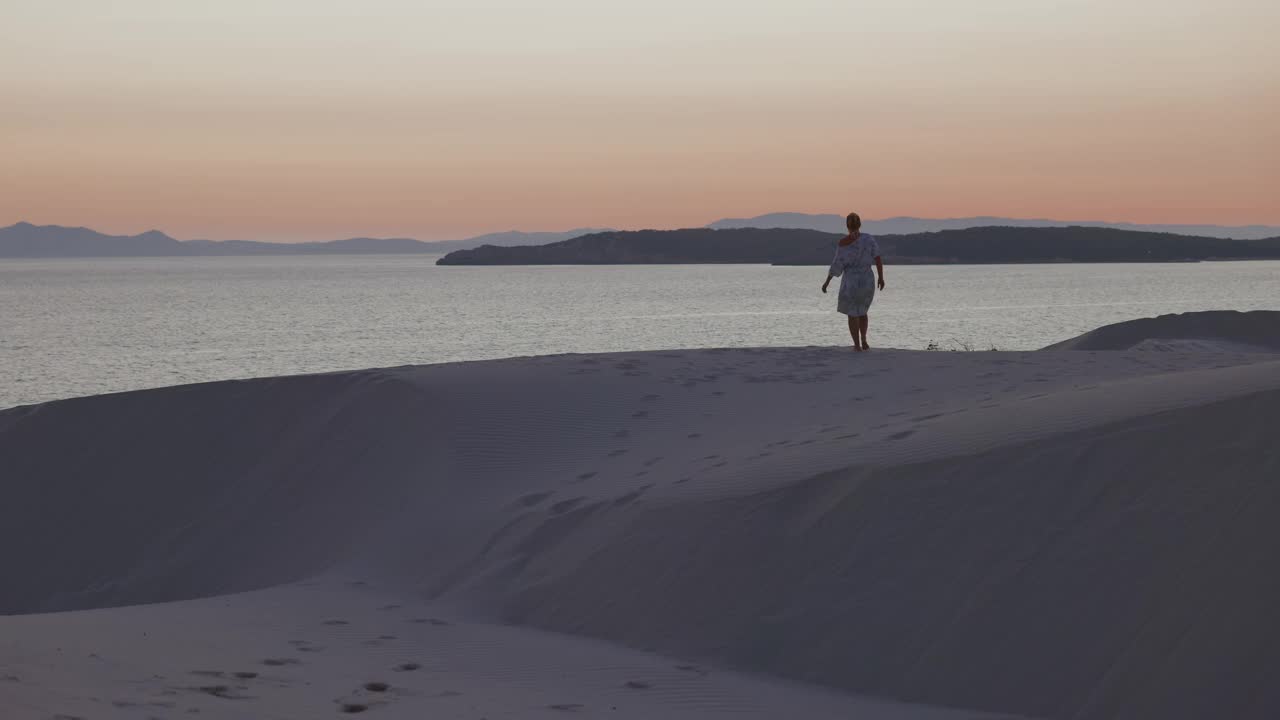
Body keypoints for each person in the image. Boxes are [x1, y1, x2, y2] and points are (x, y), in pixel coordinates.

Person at [821, 212, 885, 351]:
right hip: (867, 279)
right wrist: (881, 277)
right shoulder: (868, 239)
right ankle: (864, 339)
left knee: (852, 313)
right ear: (860, 224)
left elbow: (836, 265)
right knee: (862, 311)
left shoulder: (843, 243)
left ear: (847, 226)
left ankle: (857, 345)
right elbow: (878, 258)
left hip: (851, 281)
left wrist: (827, 282)